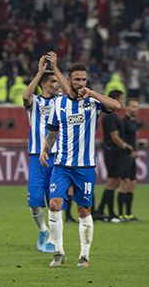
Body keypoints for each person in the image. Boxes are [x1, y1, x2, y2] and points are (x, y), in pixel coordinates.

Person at [40, 63, 120, 268]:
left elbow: (116, 106)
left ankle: (84, 256)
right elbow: (53, 131)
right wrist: (45, 149)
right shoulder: (58, 104)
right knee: (55, 204)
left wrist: (92, 93)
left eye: (84, 79)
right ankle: (58, 252)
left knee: (84, 210)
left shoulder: (94, 102)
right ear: (68, 81)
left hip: (85, 167)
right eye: (77, 79)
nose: (81, 83)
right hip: (62, 165)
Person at [22, 52, 69, 253]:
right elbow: (25, 96)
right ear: (42, 85)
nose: (55, 84)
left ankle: (52, 239)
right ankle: (42, 230)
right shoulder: (35, 103)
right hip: (36, 157)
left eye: (56, 82)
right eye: (51, 82)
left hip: (57, 157)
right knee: (34, 200)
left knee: (55, 201)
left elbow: (70, 93)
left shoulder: (62, 102)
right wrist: (40, 72)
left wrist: (56, 70)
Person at [95, 90, 128, 222]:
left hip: (114, 151)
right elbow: (114, 137)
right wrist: (125, 146)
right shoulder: (110, 117)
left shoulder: (113, 116)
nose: (122, 102)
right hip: (112, 151)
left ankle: (100, 210)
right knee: (112, 181)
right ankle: (111, 214)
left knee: (116, 181)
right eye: (121, 98)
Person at [117, 98, 141, 220]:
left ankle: (129, 213)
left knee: (132, 183)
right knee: (124, 183)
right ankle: (121, 214)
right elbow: (120, 140)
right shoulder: (123, 122)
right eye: (133, 106)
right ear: (127, 108)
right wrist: (129, 151)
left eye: (137, 107)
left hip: (132, 155)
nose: (135, 109)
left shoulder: (134, 122)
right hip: (124, 155)